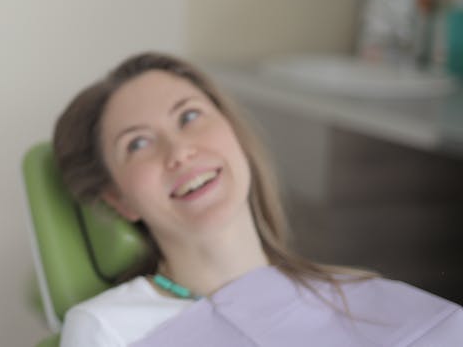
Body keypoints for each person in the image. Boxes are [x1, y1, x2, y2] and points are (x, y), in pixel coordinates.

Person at [52, 52, 463, 346]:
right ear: (120, 199)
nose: (179, 152)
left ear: (234, 134)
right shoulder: (110, 330)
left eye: (189, 116)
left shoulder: (360, 298)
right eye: (138, 143)